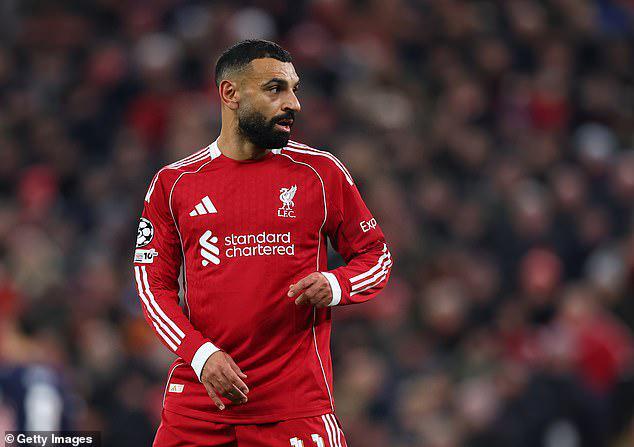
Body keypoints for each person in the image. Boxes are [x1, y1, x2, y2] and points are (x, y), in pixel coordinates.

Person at [132, 39, 393, 447]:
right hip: (200, 408)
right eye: (275, 89)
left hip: (293, 409)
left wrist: (337, 284)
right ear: (230, 94)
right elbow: (152, 286)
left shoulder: (320, 173)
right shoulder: (175, 183)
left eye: (294, 89)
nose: (294, 103)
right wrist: (200, 355)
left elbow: (376, 254)